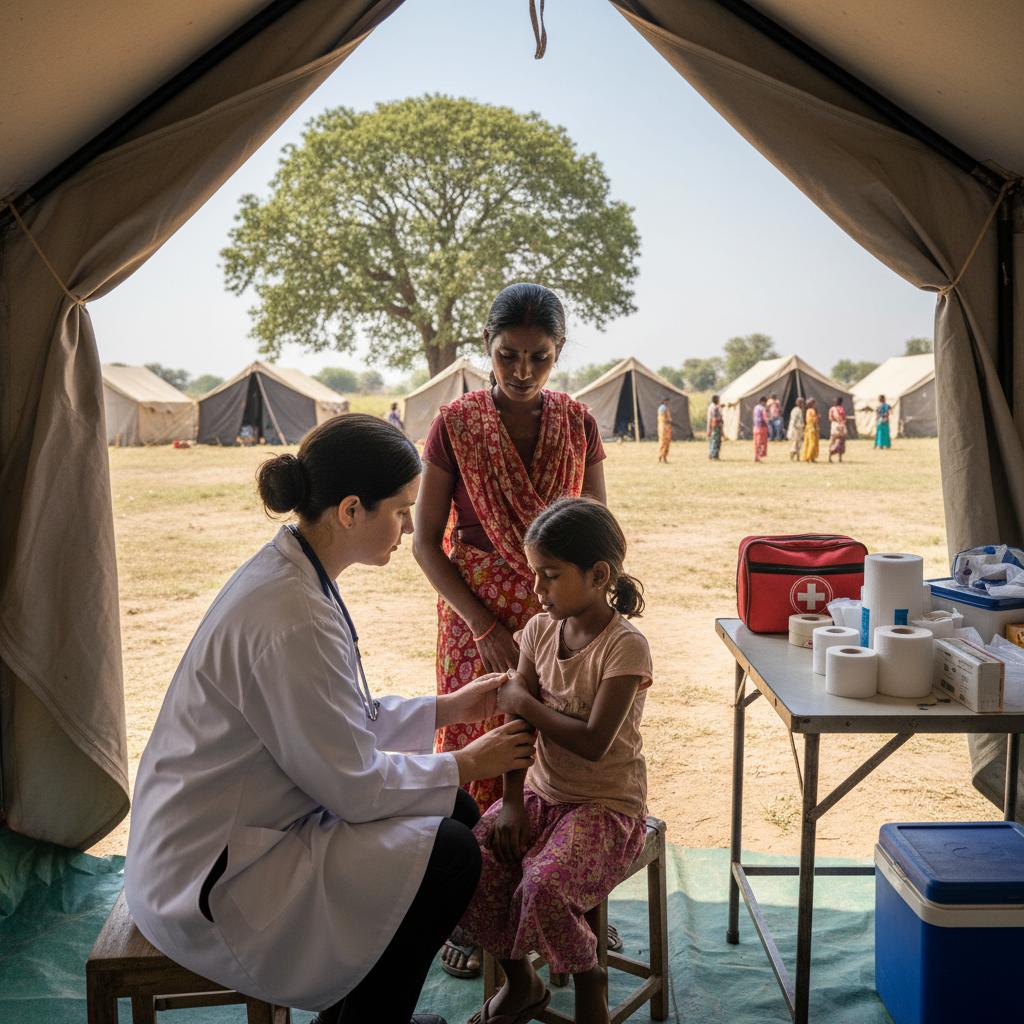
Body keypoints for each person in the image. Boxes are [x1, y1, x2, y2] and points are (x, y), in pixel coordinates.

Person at [124, 414, 538, 1024]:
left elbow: (337, 718)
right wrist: (465, 762)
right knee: (452, 851)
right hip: (210, 877)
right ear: (350, 511)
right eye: (399, 511)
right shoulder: (291, 614)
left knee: (455, 813)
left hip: (244, 829)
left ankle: (359, 1012)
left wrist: (449, 709)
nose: (408, 527)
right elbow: (354, 785)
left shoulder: (296, 575)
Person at [414, 283, 607, 978]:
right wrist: (485, 623)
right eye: (507, 356)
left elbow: (598, 538)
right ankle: (469, 912)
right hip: (477, 621)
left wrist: (584, 622)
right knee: (478, 756)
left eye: (539, 357)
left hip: (561, 617)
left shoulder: (578, 423)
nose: (522, 371)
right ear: (486, 348)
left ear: (559, 353)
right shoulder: (456, 423)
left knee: (567, 758)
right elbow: (424, 542)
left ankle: (565, 901)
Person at [456, 498, 652, 1024]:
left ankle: (592, 980)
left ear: (600, 574)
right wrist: (513, 801)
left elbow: (593, 743)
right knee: (471, 864)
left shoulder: (624, 648)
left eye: (550, 576)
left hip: (605, 808)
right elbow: (518, 729)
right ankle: (523, 983)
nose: (538, 590)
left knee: (544, 884)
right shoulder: (541, 630)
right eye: (535, 575)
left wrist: (524, 701)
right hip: (540, 795)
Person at [828, 396, 848, 463]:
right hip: (837, 426)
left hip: (837, 426)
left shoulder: (838, 409)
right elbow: (831, 418)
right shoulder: (833, 409)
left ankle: (838, 457)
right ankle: (831, 457)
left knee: (839, 441)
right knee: (835, 441)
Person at [802, 398, 820, 462]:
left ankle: (806, 456)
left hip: (808, 428)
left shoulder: (807, 411)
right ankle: (810, 456)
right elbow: (813, 419)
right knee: (812, 442)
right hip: (812, 428)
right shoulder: (812, 411)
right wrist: (818, 417)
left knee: (807, 442)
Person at [787, 397, 805, 462]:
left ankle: (798, 458)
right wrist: (795, 427)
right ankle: (792, 457)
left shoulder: (800, 410)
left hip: (799, 429)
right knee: (795, 444)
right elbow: (793, 420)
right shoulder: (795, 410)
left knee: (799, 444)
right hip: (795, 429)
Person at [752, 396, 769, 462]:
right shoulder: (762, 409)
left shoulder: (755, 408)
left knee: (756, 443)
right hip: (762, 428)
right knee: (761, 443)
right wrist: (767, 426)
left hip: (755, 427)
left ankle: (756, 456)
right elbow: (765, 418)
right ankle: (758, 457)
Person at [707, 395, 723, 459]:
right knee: (716, 440)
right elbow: (716, 417)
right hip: (715, 425)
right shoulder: (715, 408)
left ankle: (711, 453)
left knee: (712, 439)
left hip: (713, 425)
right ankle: (714, 454)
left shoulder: (711, 407)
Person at [656, 397, 672, 463]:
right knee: (664, 442)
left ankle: (663, 456)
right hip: (664, 427)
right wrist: (668, 420)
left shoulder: (665, 408)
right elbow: (663, 418)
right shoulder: (663, 408)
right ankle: (662, 456)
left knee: (665, 442)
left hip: (665, 427)